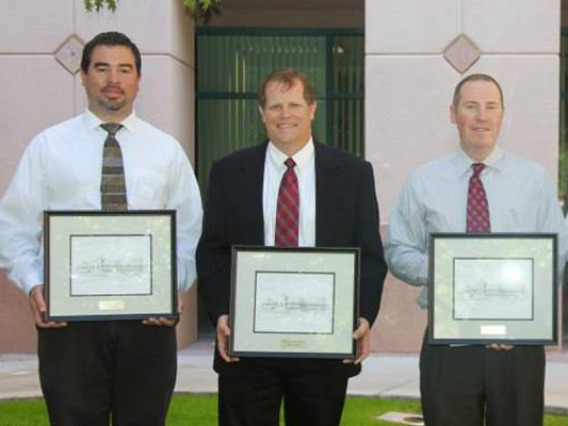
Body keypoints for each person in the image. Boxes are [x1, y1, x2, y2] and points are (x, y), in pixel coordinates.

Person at [0, 32, 202, 425]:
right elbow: (14, 226)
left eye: (124, 69)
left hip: (148, 322)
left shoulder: (167, 151)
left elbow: (190, 232)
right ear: (82, 75)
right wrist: (35, 285)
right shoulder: (49, 147)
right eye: (102, 68)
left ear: (139, 79)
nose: (114, 78)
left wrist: (174, 285)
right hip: (69, 323)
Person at [196, 67, 387, 426]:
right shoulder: (228, 172)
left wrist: (362, 315)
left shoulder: (353, 174)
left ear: (312, 109)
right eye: (276, 106)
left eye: (295, 105)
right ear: (261, 112)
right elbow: (212, 252)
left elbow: (371, 255)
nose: (286, 115)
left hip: (322, 343)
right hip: (248, 343)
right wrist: (222, 312)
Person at [386, 73, 568, 426]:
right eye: (471, 106)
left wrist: (517, 318)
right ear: (453, 114)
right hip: (449, 343)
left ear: (502, 114)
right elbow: (398, 249)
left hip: (518, 346)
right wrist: (446, 273)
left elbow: (556, 252)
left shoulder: (534, 179)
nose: (481, 116)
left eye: (490, 107)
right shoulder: (422, 180)